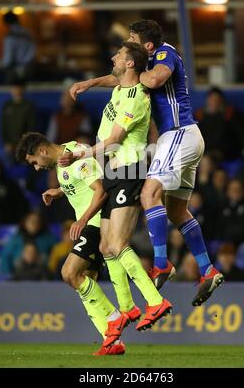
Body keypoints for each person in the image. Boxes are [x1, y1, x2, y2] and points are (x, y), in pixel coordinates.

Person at [68, 20, 223, 306]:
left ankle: (162, 264)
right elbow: (123, 78)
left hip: (178, 133)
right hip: (180, 139)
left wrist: (135, 70)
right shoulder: (146, 61)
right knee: (177, 211)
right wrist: (91, 82)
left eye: (132, 39)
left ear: (147, 45)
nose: (128, 43)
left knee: (150, 193)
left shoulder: (165, 54)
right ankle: (207, 269)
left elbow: (152, 80)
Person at [59, 41, 172, 332]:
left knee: (118, 244)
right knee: (107, 247)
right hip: (113, 170)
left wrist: (80, 154)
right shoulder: (121, 89)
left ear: (130, 64)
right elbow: (113, 79)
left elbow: (115, 140)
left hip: (130, 169)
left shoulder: (137, 98)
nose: (113, 57)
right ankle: (127, 307)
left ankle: (155, 300)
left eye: (119, 55)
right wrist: (90, 82)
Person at [16, 132, 134, 355]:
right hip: (93, 223)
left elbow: (100, 191)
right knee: (84, 283)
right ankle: (112, 341)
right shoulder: (65, 160)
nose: (37, 168)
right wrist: (59, 191)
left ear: (41, 151)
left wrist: (82, 219)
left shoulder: (74, 156)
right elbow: (82, 179)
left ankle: (114, 317)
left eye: (34, 162)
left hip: (96, 223)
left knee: (69, 273)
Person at [0, 210, 56, 275]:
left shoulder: (49, 239)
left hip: (42, 275)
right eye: (30, 221)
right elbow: (5, 257)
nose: (33, 224)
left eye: (36, 221)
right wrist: (8, 276)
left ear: (41, 224)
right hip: (18, 275)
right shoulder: (16, 239)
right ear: (24, 223)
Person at [0, 79, 36, 161]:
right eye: (14, 87)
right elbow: (3, 126)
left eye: (18, 87)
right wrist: (6, 143)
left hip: (25, 147)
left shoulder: (29, 106)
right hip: (10, 148)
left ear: (23, 89)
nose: (16, 90)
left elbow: (32, 127)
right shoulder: (7, 106)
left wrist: (25, 144)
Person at [2, 11, 35, 84]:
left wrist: (4, 64)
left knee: (16, 92)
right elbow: (32, 51)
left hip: (14, 70)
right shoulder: (28, 33)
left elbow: (8, 58)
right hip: (27, 68)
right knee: (25, 91)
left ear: (6, 23)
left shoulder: (10, 36)